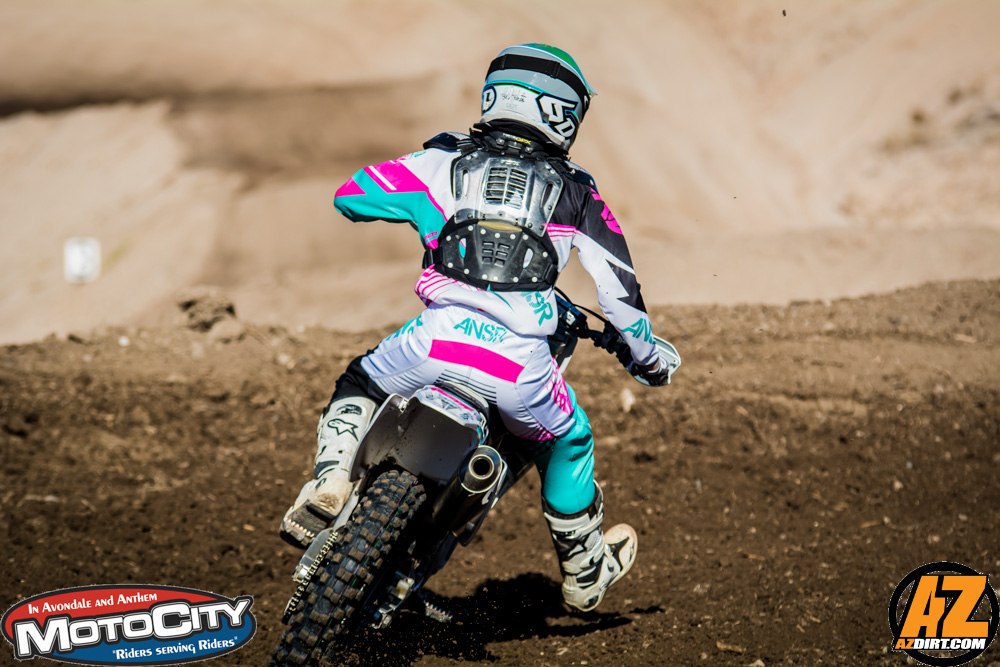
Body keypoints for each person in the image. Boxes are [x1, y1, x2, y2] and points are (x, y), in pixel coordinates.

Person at [279, 43, 673, 612]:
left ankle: (331, 479)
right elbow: (620, 295)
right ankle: (586, 569)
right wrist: (648, 360)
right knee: (570, 439)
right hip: (520, 367)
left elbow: (352, 196)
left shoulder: (441, 162)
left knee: (360, 381)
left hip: (431, 343)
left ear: (495, 95)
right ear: (564, 113)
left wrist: (429, 216)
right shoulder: (578, 193)